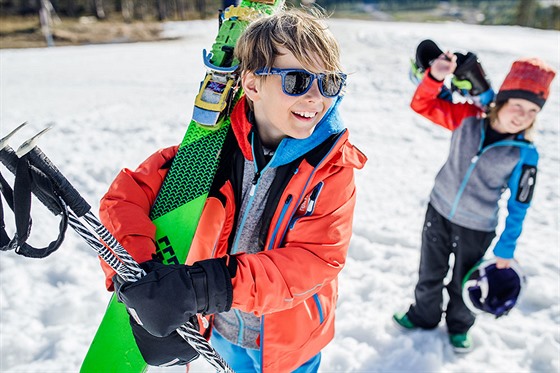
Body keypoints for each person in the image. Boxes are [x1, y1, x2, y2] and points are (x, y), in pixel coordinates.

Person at [98, 8, 367, 372]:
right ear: (253, 85)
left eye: (330, 82)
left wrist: (205, 288)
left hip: (292, 342)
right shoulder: (211, 151)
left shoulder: (332, 169)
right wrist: (143, 273)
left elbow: (316, 260)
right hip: (220, 331)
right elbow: (126, 197)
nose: (316, 98)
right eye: (298, 81)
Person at [393, 54, 556, 353]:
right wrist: (434, 78)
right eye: (517, 105)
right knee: (430, 271)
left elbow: (520, 205)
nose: (522, 115)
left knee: (463, 282)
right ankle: (423, 315)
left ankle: (459, 326)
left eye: (532, 111)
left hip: (478, 227)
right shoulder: (467, 118)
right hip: (439, 210)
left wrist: (506, 249)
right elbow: (423, 105)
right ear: (502, 101)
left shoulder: (525, 154)